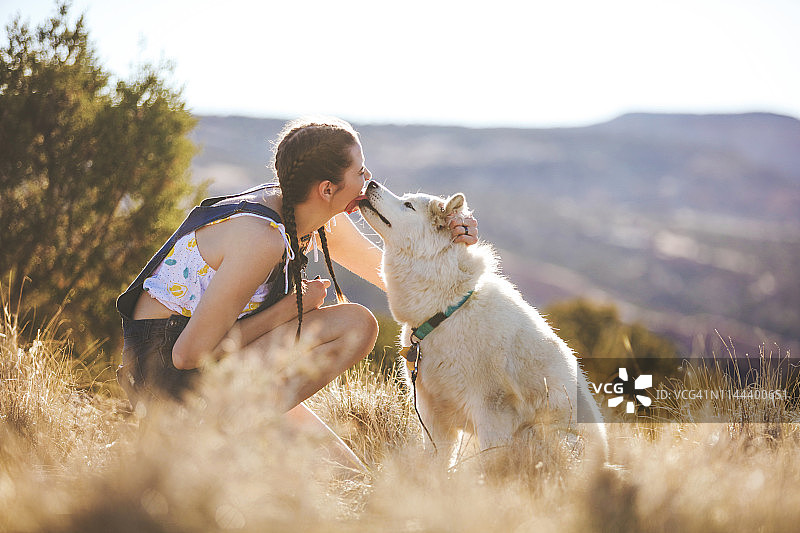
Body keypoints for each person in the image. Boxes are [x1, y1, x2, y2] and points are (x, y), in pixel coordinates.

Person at [115, 116, 478, 469]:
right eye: (359, 171)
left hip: (215, 363)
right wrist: (290, 309)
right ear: (327, 189)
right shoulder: (261, 238)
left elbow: (390, 275)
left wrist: (447, 240)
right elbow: (187, 354)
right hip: (167, 376)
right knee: (356, 325)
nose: (368, 179)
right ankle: (208, 444)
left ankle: (236, 438)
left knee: (349, 474)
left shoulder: (309, 214)